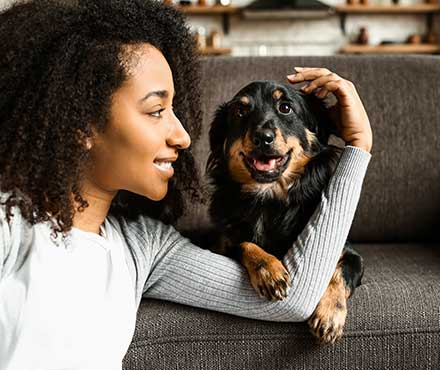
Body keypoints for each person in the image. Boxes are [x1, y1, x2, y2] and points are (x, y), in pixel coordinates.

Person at [0, 0, 372, 369]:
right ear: (81, 123)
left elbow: (296, 298)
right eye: (156, 110)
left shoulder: (144, 247)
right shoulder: (9, 224)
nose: (183, 136)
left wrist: (357, 147)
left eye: (175, 110)